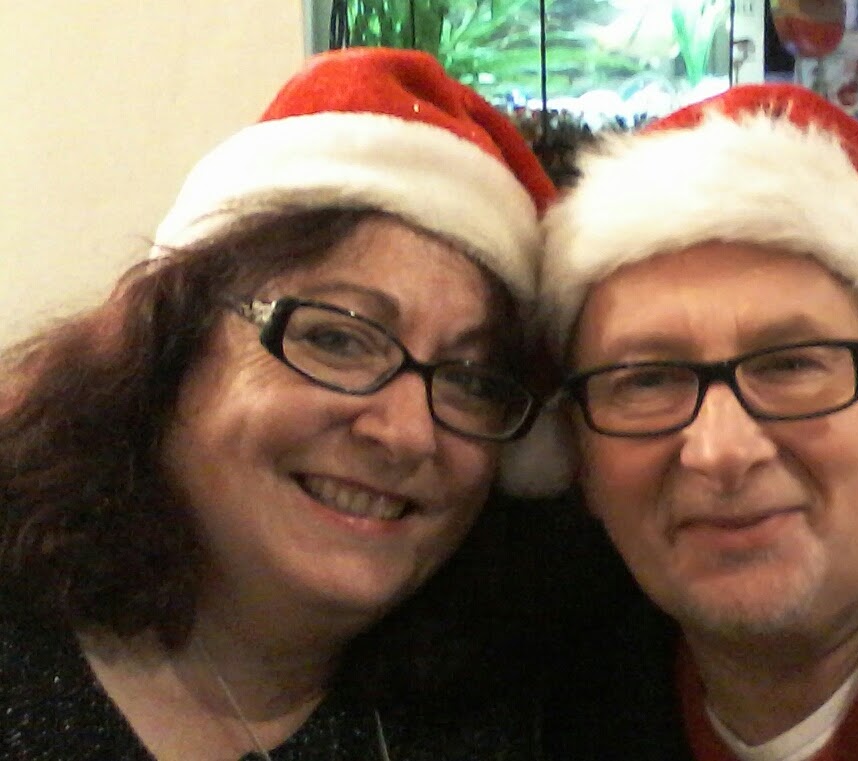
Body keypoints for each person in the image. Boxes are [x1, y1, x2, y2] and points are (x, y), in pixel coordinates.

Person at [0, 47, 562, 759]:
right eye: (337, 338)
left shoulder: (521, 706)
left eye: (471, 380)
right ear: (172, 344)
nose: (407, 432)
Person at [532, 83, 858, 759]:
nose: (723, 450)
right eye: (647, 380)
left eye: (789, 365)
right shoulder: (535, 688)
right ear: (580, 460)